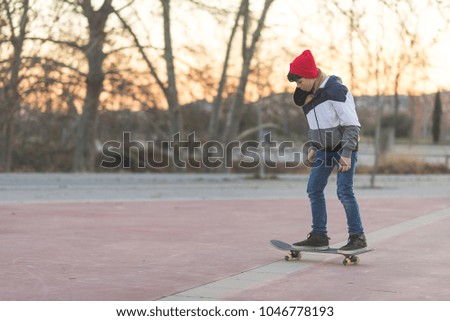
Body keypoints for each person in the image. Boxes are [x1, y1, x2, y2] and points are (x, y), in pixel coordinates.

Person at [287, 49, 367, 254]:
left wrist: (347, 154)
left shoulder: (335, 91)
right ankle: (319, 236)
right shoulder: (308, 96)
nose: (298, 86)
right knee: (313, 189)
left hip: (343, 150)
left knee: (344, 192)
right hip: (324, 150)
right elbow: (315, 126)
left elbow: (352, 125)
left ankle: (357, 237)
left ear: (311, 75)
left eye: (299, 81)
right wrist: (314, 147)